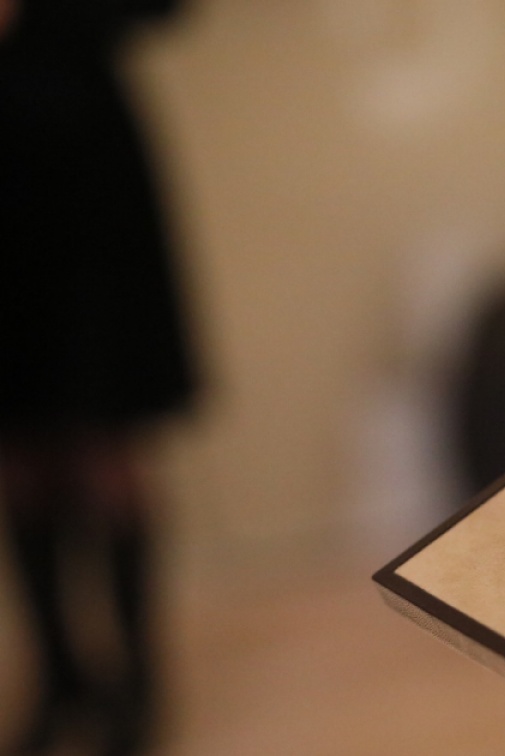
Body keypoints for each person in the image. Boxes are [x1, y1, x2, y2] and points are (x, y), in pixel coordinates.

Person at [1, 1, 193, 753]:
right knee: (18, 455)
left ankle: (137, 680)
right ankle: (59, 677)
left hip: (87, 194)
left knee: (106, 446)